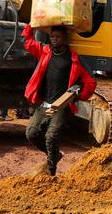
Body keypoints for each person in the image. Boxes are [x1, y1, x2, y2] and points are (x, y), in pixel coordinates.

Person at [22, 24, 96, 175]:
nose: (54, 40)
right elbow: (28, 43)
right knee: (31, 133)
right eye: (52, 37)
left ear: (65, 39)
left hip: (62, 106)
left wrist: (79, 95)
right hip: (45, 104)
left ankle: (51, 171)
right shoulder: (45, 51)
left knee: (51, 136)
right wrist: (31, 25)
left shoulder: (74, 58)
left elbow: (90, 81)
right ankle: (54, 155)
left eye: (58, 37)